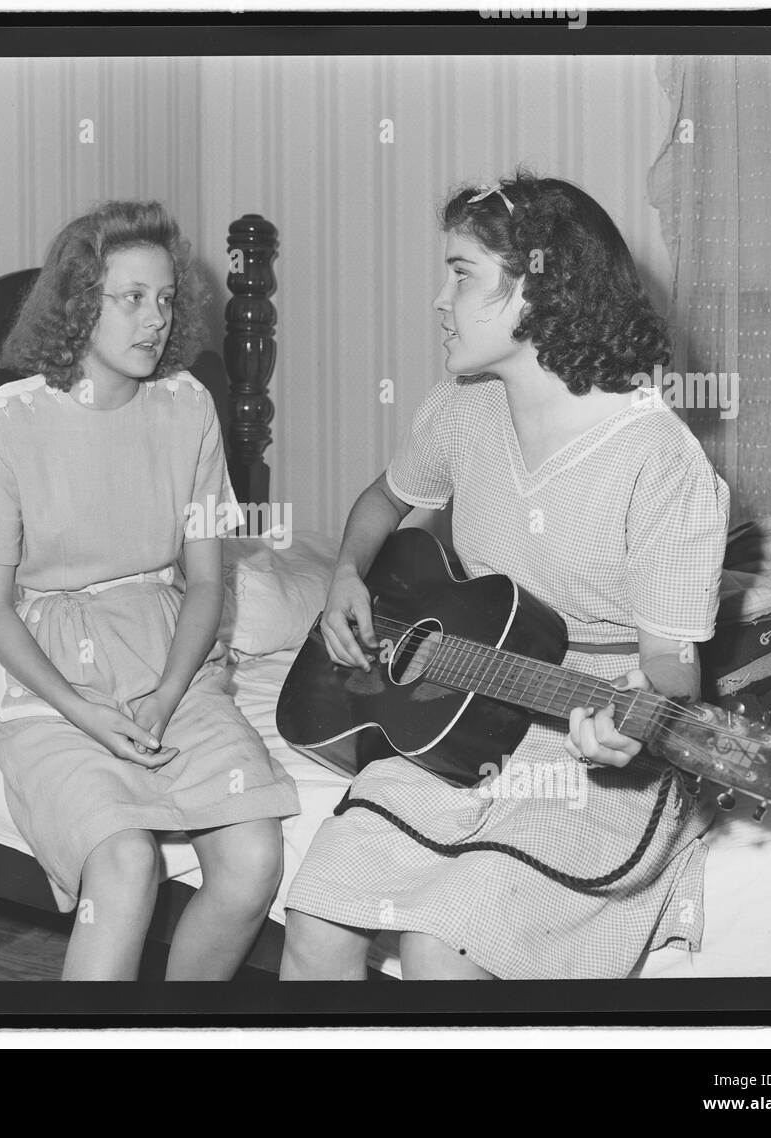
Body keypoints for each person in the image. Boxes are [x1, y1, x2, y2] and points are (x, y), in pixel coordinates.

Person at [280, 174, 730, 981]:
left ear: (540, 286)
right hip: (464, 708)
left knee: (441, 951)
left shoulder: (661, 461)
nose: (439, 299)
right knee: (315, 918)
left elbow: (672, 666)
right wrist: (345, 571)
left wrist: (631, 721)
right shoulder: (464, 406)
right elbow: (384, 499)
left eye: (461, 273)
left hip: (587, 728)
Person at [0, 201, 299, 980]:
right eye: (131, 298)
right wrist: (85, 712)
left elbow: (207, 582)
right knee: (125, 867)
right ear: (79, 303)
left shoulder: (190, 407)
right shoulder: (3, 424)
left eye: (167, 298)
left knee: (253, 857)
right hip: (55, 686)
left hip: (172, 664)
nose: (155, 320)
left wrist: (168, 694)